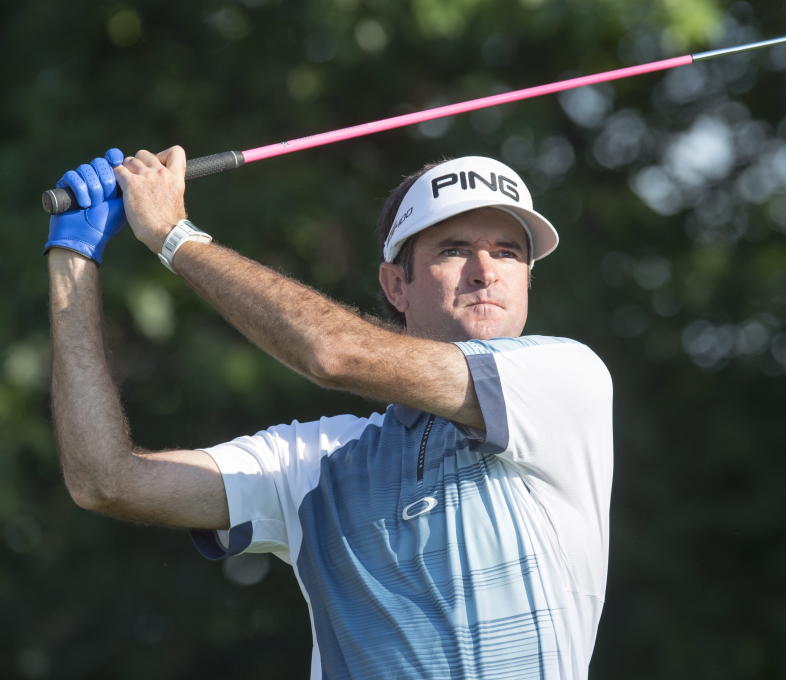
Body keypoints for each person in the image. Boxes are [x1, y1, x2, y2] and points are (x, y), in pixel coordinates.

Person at [46, 146, 614, 679]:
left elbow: (335, 353)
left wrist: (174, 235)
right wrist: (73, 258)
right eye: (453, 248)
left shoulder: (562, 377)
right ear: (397, 284)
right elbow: (106, 479)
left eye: (508, 252)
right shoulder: (314, 463)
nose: (485, 271)